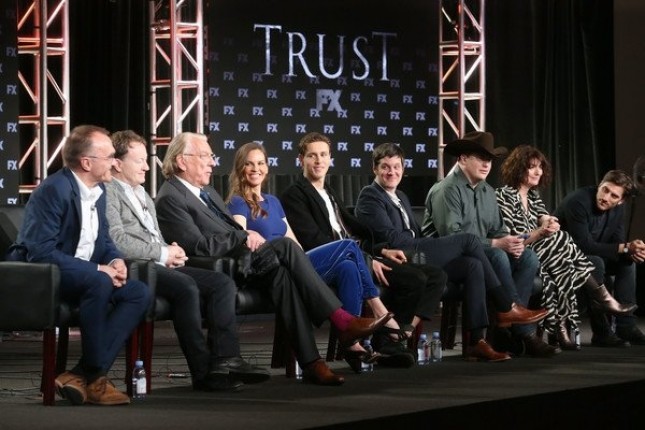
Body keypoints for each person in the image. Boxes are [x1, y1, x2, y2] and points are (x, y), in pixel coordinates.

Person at [154, 132, 392, 386]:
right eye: (205, 156)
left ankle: (312, 363)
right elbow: (199, 247)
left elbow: (228, 232)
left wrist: (242, 237)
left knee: (284, 276)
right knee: (287, 247)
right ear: (181, 161)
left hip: (248, 260)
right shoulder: (171, 198)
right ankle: (342, 320)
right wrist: (243, 235)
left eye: (211, 156)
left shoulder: (207, 192)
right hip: (224, 269)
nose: (212, 162)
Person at [226, 141, 415, 371]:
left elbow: (293, 241)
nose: (256, 168)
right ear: (240, 168)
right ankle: (378, 311)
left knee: (347, 267)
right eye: (249, 164)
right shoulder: (237, 201)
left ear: (267, 167)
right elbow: (240, 238)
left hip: (296, 262)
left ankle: (352, 342)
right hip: (272, 269)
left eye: (260, 163)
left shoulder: (273, 202)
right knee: (348, 246)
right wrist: (249, 233)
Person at [105, 130, 270, 392]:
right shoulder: (108, 192)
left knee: (221, 283)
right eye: (139, 161)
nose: (147, 167)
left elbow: (155, 236)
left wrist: (170, 249)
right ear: (117, 163)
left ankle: (226, 360)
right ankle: (202, 372)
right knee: (187, 288)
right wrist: (161, 253)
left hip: (161, 262)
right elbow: (118, 241)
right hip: (136, 266)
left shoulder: (143, 194)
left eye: (146, 160)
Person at [355, 142, 549, 362]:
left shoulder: (401, 196)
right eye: (385, 167)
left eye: (396, 167)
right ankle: (506, 306)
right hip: (403, 254)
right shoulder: (370, 195)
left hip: (417, 253)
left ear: (403, 168)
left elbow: (415, 233)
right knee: (469, 240)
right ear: (375, 169)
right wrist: (423, 244)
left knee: (473, 265)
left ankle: (476, 342)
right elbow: (393, 239)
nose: (392, 172)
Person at [7, 125, 150, 405]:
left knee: (138, 292)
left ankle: (80, 374)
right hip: (42, 277)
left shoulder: (101, 190)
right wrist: (98, 270)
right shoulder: (54, 190)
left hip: (83, 275)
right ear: (86, 163)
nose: (115, 162)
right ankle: (96, 378)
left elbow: (104, 240)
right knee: (99, 281)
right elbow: (40, 252)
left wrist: (115, 260)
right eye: (109, 157)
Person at [280, 132, 447, 366]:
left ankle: (372, 341)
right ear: (301, 160)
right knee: (412, 278)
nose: (318, 161)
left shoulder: (329, 192)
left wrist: (380, 251)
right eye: (312, 155)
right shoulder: (294, 195)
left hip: (354, 257)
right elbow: (314, 241)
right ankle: (386, 327)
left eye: (323, 155)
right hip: (324, 262)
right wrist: (368, 259)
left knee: (432, 274)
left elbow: (355, 232)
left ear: (330, 158)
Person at [423, 132, 557, 357]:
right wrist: (496, 243)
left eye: (490, 160)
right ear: (463, 159)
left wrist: (512, 242)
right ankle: (520, 328)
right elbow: (453, 238)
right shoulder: (447, 189)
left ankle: (507, 326)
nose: (486, 165)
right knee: (497, 255)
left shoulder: (487, 191)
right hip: (448, 258)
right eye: (480, 158)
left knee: (528, 257)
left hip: (480, 255)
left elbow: (498, 230)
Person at [496, 145, 635, 350]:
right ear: (518, 168)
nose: (538, 172)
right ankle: (599, 300)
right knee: (563, 242)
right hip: (520, 254)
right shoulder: (503, 195)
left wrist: (549, 223)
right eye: (532, 167)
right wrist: (541, 232)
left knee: (563, 254)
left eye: (540, 167)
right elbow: (513, 240)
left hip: (545, 254)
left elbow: (545, 218)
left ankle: (564, 327)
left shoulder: (533, 196)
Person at [554, 170, 645, 347]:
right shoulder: (578, 201)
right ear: (600, 184)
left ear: (621, 201)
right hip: (563, 258)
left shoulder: (618, 209)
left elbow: (617, 242)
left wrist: (633, 251)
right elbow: (583, 245)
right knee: (595, 262)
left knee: (627, 262)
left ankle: (626, 326)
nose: (605, 197)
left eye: (614, 196)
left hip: (592, 256)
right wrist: (626, 247)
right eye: (605, 190)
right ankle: (602, 332)